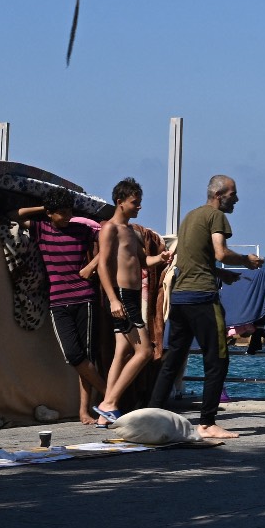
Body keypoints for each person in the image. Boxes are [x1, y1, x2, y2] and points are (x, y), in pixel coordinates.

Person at [148, 175, 264, 439]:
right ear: (219, 194)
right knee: (218, 360)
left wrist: (219, 274)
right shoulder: (216, 217)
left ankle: (152, 416)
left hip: (180, 298)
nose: (236, 199)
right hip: (202, 299)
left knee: (173, 359)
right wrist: (246, 260)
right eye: (233, 194)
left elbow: (193, 257)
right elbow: (220, 252)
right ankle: (208, 423)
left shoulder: (190, 217)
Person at [12, 189, 107, 425]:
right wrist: (42, 208)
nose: (67, 217)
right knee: (74, 356)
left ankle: (85, 411)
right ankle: (111, 397)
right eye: (62, 213)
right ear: (49, 213)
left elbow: (110, 243)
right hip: (58, 301)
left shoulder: (82, 230)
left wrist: (92, 265)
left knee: (87, 358)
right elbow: (12, 215)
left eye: (70, 212)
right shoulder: (41, 229)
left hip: (84, 298)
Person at [92, 178, 172, 426]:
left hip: (134, 295)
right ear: (120, 202)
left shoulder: (132, 232)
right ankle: (110, 402)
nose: (139, 207)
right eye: (134, 203)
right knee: (145, 351)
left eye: (139, 203)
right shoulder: (110, 229)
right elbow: (103, 266)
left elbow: (143, 262)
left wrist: (161, 257)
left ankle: (104, 414)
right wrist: (113, 299)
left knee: (122, 351)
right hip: (122, 296)